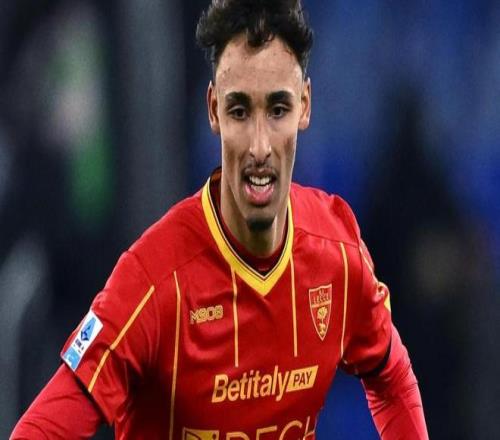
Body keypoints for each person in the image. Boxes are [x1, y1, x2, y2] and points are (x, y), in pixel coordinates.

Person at [11, 1, 428, 438]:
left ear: (305, 106)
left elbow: (392, 377)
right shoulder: (154, 280)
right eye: (240, 111)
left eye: (278, 110)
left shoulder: (337, 252)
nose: (260, 147)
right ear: (213, 110)